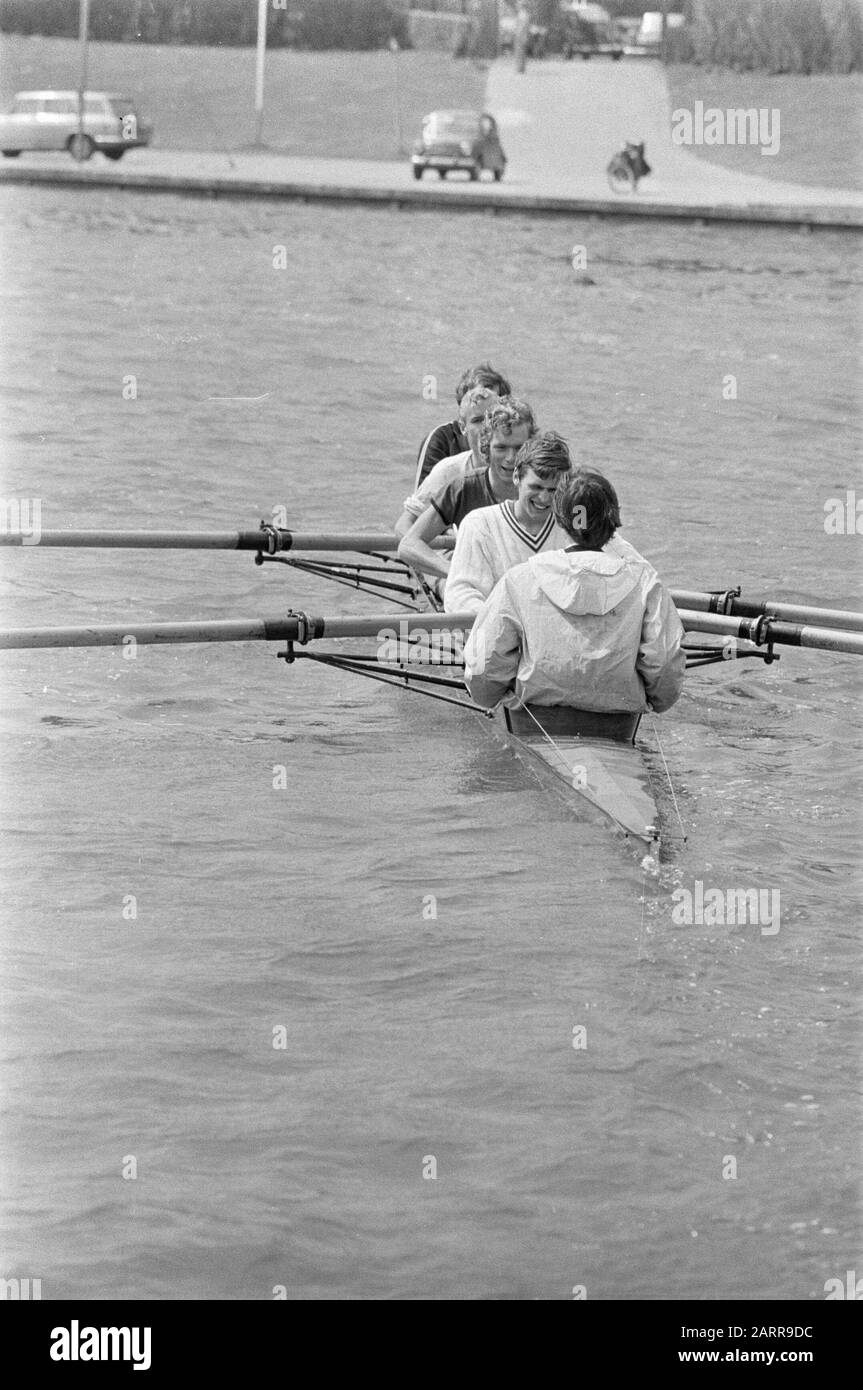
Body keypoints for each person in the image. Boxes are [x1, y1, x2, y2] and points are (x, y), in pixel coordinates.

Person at [463, 468, 685, 714]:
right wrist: (657, 701)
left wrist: (491, 696)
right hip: (618, 719)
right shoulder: (646, 582)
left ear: (559, 520)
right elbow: (664, 664)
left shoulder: (519, 579)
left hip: (533, 716)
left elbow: (483, 662)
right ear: (613, 522)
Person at [397, 398, 537, 583]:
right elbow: (408, 545)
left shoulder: (545, 488)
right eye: (501, 448)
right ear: (486, 447)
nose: (511, 458)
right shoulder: (463, 487)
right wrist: (457, 572)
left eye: (519, 448)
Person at [444, 431, 572, 615]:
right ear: (516, 478)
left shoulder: (574, 524)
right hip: (500, 635)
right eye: (536, 487)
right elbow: (459, 595)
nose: (544, 498)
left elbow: (615, 557)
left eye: (553, 490)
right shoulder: (479, 524)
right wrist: (504, 623)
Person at [395, 384, 501, 541]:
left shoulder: (522, 468)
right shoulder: (449, 471)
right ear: (463, 427)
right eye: (477, 420)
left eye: (492, 418)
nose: (486, 427)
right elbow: (404, 525)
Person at [415, 363, 511, 488]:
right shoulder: (441, 439)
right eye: (475, 400)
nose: (486, 425)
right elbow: (423, 496)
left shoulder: (517, 437)